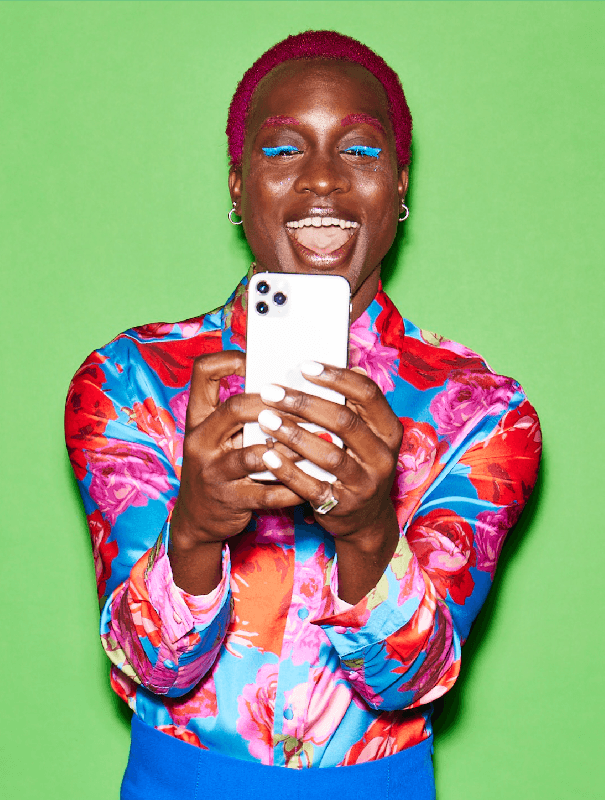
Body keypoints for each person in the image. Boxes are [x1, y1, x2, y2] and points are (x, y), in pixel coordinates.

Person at [65, 30, 541, 800]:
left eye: (358, 151)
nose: (322, 181)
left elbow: (410, 684)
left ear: (398, 184)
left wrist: (367, 536)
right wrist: (193, 529)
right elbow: (153, 667)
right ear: (236, 183)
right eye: (284, 150)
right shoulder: (129, 383)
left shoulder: (484, 416)